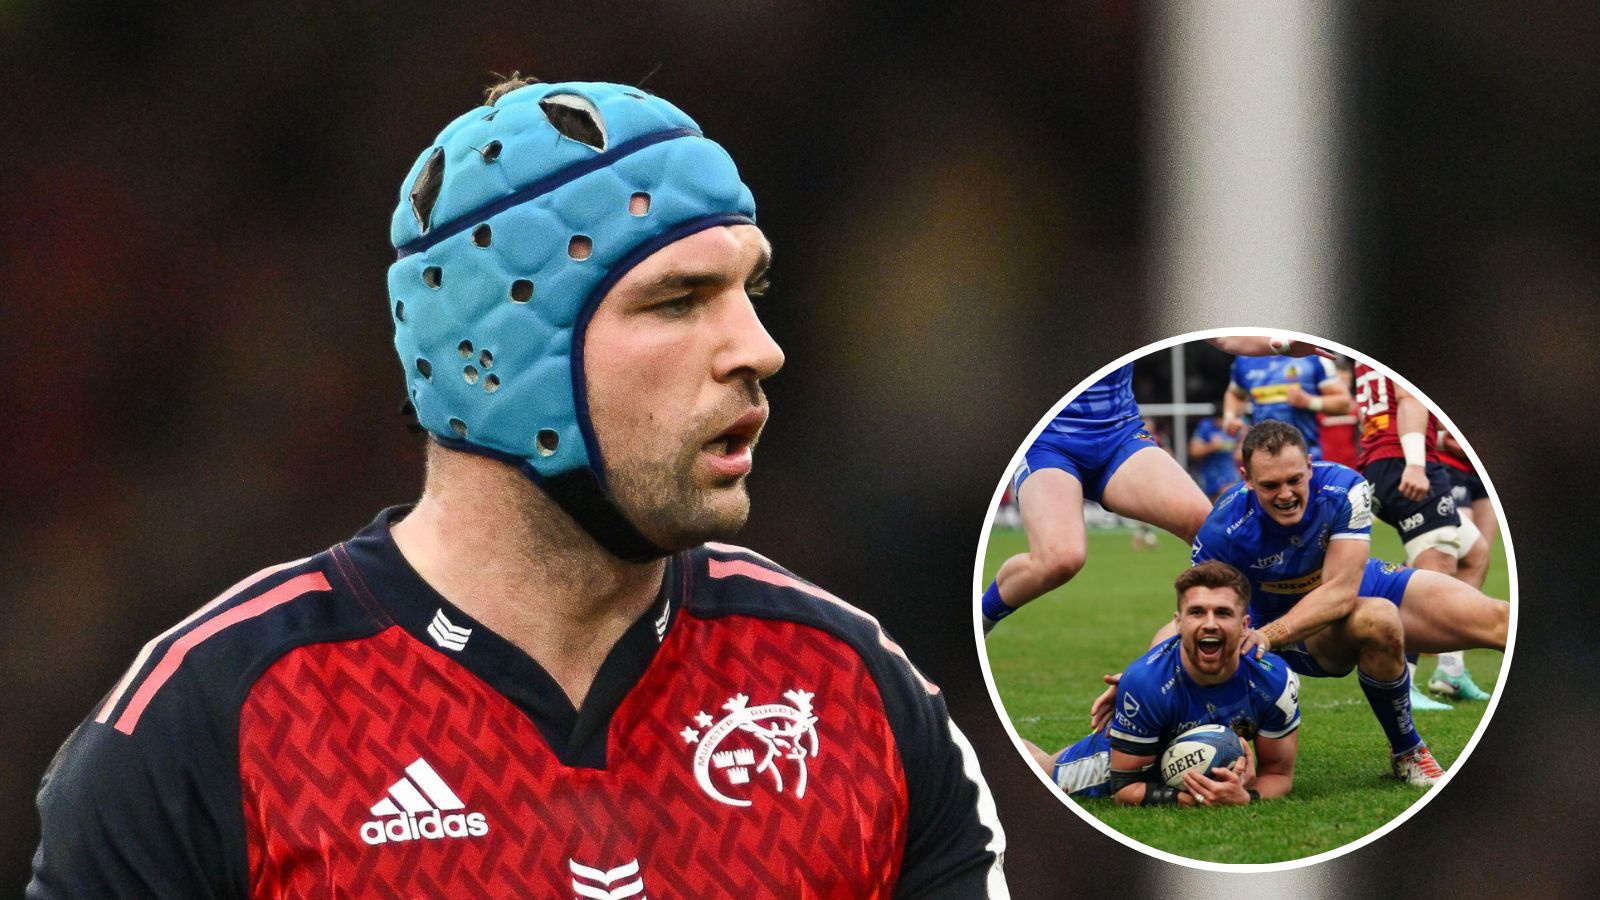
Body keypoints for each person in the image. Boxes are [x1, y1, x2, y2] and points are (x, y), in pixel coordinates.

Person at [29, 77, 1007, 898]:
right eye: (675, 301)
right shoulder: (209, 723)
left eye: (746, 293)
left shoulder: (853, 699)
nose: (758, 350)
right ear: (495, 360)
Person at [1172, 421, 1507, 786]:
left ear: (1310, 467)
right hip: (1286, 629)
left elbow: (1343, 589)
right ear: (1247, 479)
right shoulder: (1222, 528)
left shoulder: (1345, 486)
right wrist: (1145, 676)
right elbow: (1195, 616)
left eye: (1295, 480)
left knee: (1503, 620)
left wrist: (1270, 634)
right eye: (1270, 485)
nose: (1285, 494)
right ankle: (1408, 751)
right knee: (1377, 618)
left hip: (1351, 586)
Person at [981, 336, 1332, 634]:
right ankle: (979, 620)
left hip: (1118, 435)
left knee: (1211, 530)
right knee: (1060, 559)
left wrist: (1282, 343)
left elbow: (1224, 337)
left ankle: (1215, 640)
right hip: (1046, 442)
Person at [1025, 561, 1299, 806]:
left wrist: (1245, 797)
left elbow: (1277, 775)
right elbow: (1125, 788)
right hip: (1122, 759)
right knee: (1034, 776)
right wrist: (1190, 798)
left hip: (1185, 757)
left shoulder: (1273, 680)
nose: (1210, 624)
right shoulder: (1147, 682)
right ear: (1179, 623)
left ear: (1245, 625)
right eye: (1197, 612)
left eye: (1223, 613)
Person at [1352, 363, 1492, 702]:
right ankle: (1404, 683)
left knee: (1474, 553)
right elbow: (1409, 396)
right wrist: (1415, 463)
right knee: (1435, 571)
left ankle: (1451, 671)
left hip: (1385, 458)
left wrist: (1440, 439)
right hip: (1404, 461)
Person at [1222, 352, 1352, 459]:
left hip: (1306, 455)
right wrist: (1230, 416)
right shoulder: (1245, 360)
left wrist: (1309, 401)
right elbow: (1234, 394)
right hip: (1263, 456)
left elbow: (1345, 404)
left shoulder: (1314, 357)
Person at [1189, 415, 1240, 501]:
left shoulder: (1236, 426)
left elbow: (1240, 453)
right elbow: (1193, 451)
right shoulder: (1206, 426)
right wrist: (1212, 446)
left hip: (1230, 476)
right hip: (1210, 476)